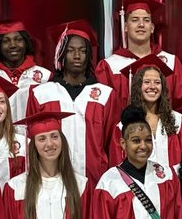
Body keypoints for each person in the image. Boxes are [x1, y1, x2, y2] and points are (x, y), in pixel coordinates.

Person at [26, 20, 119, 185]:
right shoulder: (42, 94)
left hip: (95, 181)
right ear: (60, 54)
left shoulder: (105, 95)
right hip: (52, 182)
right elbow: (32, 140)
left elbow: (112, 143)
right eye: (70, 50)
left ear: (89, 55)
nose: (77, 56)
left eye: (83, 51)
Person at [95, 0, 182, 109]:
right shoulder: (109, 66)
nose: (141, 25)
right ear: (125, 27)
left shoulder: (171, 62)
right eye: (135, 20)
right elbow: (104, 111)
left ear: (152, 28)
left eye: (146, 20)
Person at [110, 54, 182, 166]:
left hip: (172, 182)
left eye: (157, 82)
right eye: (146, 82)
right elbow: (117, 162)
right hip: (137, 182)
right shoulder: (124, 124)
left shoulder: (177, 120)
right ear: (138, 87)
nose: (152, 86)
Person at [0, 20, 53, 125]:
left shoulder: (44, 77)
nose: (13, 45)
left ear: (26, 43)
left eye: (18, 40)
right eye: (6, 41)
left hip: (32, 138)